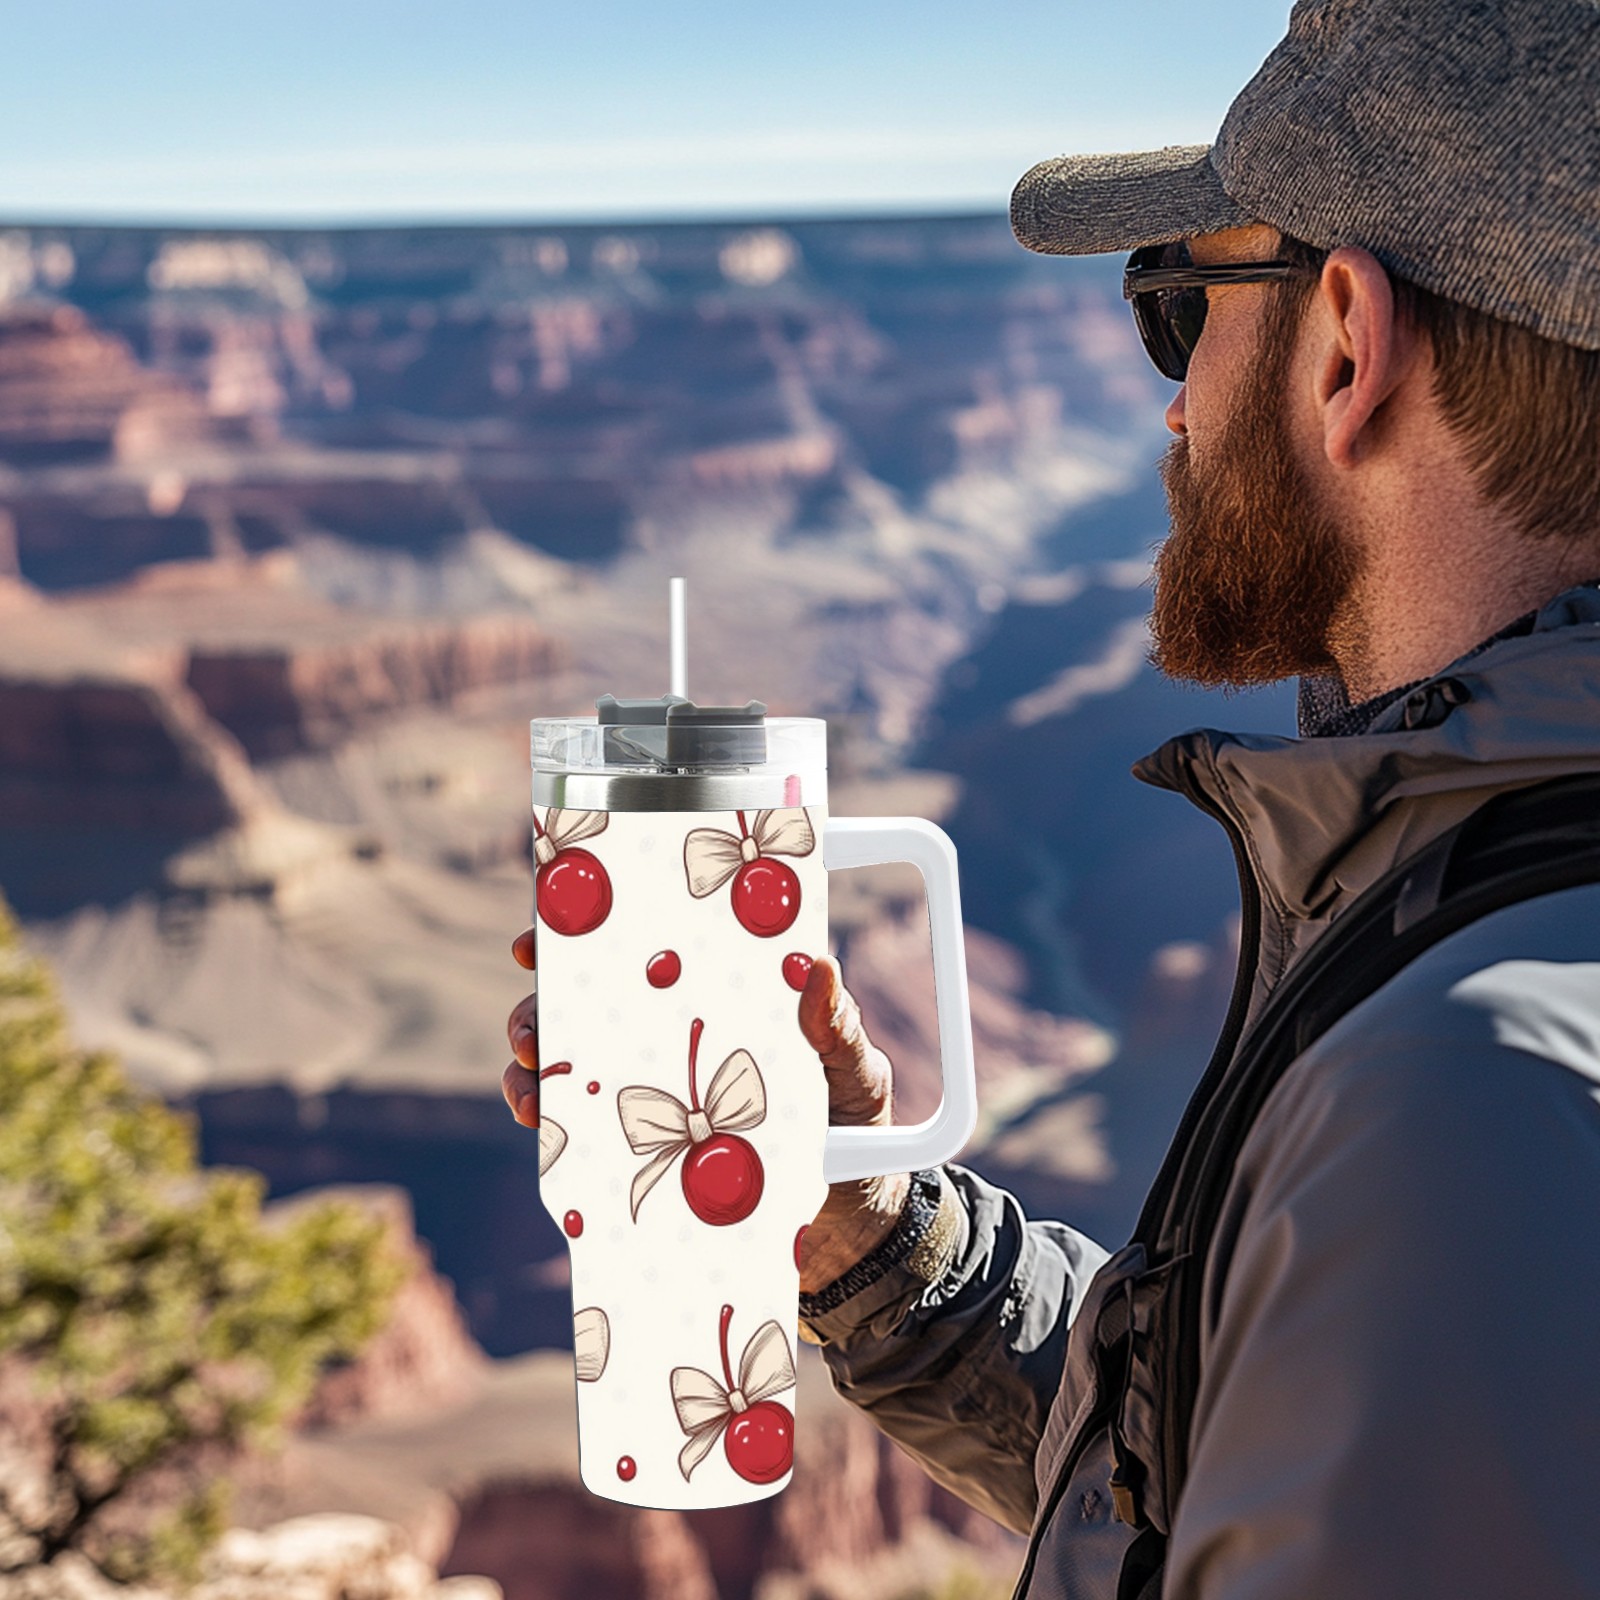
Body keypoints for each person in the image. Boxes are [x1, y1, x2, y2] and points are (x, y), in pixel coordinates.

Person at [504, 0, 1600, 1592]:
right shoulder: (1493, 968)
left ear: (1347, 344)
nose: (1173, 402)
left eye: (1182, 305)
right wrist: (868, 1230)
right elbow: (1243, 1471)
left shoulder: (1460, 1103)